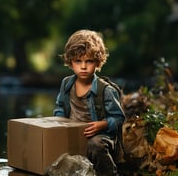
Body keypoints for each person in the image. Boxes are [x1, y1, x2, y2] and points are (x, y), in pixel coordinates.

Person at [53, 29, 125, 176]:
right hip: (74, 132)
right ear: (70, 62)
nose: (83, 66)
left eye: (89, 61)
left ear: (97, 62)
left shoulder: (105, 90)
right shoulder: (66, 84)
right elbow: (60, 106)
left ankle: (109, 173)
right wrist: (59, 122)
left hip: (100, 135)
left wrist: (103, 124)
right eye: (78, 61)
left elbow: (119, 118)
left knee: (95, 144)